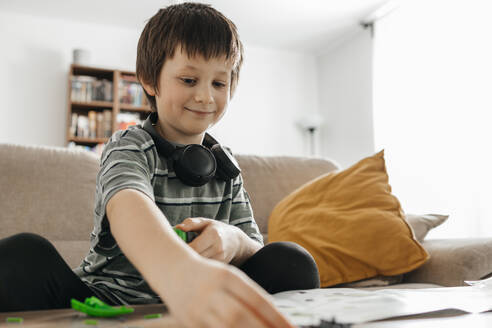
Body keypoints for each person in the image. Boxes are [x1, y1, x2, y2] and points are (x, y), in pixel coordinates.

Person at [0, 3, 320, 327]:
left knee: (292, 260)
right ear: (150, 81)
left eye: (219, 84)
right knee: (21, 256)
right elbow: (129, 206)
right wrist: (181, 275)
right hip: (108, 302)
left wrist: (234, 241)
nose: (206, 97)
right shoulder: (129, 146)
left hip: (206, 302)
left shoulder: (225, 166)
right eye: (189, 79)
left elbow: (255, 247)